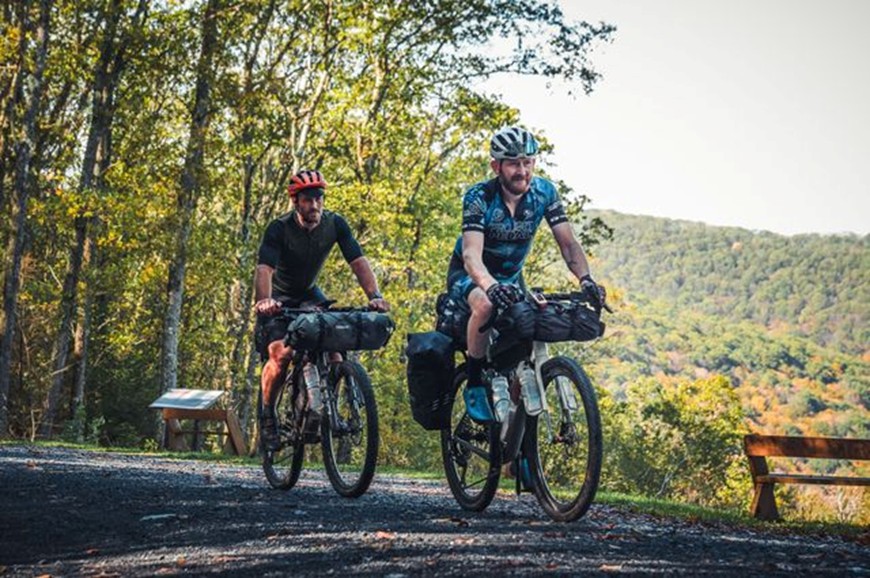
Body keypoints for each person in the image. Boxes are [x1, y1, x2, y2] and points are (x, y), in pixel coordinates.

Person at [446, 126, 603, 422]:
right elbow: (471, 255)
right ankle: (475, 380)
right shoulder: (480, 197)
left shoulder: (544, 193)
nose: (522, 171)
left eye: (528, 162)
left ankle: (516, 434)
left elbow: (568, 244)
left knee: (528, 331)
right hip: (471, 274)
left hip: (512, 277)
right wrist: (490, 286)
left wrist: (586, 279)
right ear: (496, 166)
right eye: (514, 164)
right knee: (485, 305)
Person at [254, 169, 390, 450]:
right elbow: (264, 268)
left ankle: (327, 407)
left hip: (310, 295)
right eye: (307, 199)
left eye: (318, 198)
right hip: (279, 298)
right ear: (296, 201)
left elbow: (358, 261)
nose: (314, 205)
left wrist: (375, 296)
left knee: (335, 347)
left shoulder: (335, 224)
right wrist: (265, 300)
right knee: (281, 354)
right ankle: (268, 415)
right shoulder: (279, 228)